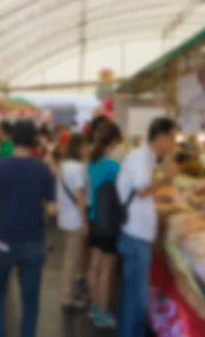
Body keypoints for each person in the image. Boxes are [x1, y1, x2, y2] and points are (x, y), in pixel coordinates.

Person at [0, 119, 56, 337]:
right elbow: (53, 210)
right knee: (30, 299)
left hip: (3, 240)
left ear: (12, 139)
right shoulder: (42, 169)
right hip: (33, 240)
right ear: (34, 140)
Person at [116, 117, 179, 337]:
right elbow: (142, 190)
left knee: (133, 296)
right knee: (137, 299)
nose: (174, 143)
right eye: (172, 138)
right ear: (160, 137)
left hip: (138, 235)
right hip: (135, 237)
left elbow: (142, 193)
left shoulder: (148, 158)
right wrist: (166, 179)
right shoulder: (139, 157)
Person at [87, 122, 123, 328]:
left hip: (94, 217)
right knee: (107, 270)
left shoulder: (92, 162)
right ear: (114, 142)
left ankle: (94, 307)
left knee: (95, 265)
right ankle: (102, 312)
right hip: (109, 221)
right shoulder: (113, 166)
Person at [56, 133, 89, 310]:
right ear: (78, 148)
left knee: (70, 256)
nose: (87, 150)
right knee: (72, 259)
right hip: (75, 218)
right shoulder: (78, 168)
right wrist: (84, 220)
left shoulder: (63, 165)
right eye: (84, 146)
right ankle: (66, 297)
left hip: (64, 217)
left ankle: (69, 292)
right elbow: (79, 195)